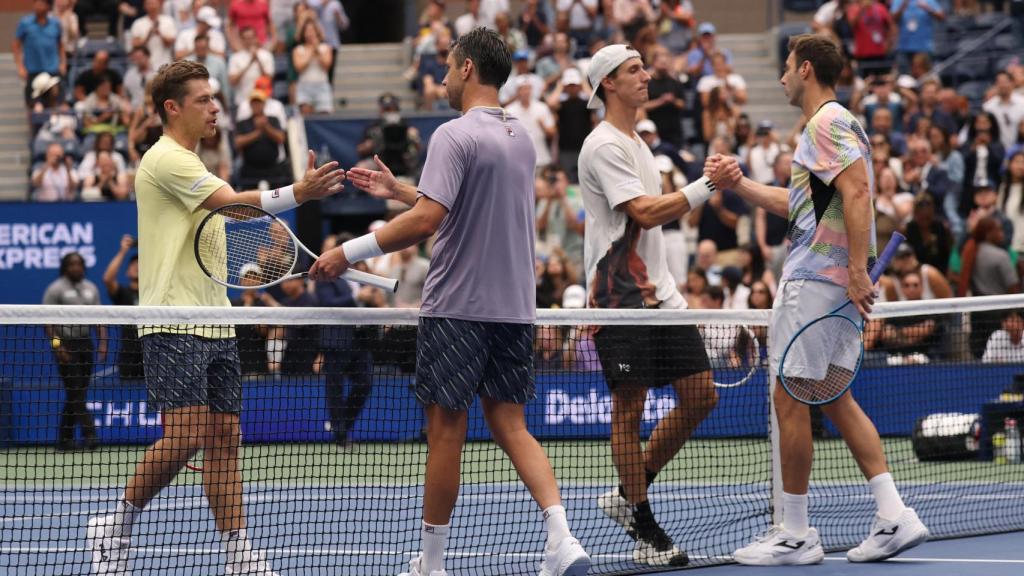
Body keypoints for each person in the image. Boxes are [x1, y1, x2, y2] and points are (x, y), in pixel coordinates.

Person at [309, 27, 591, 576]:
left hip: (458, 307)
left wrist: (348, 251)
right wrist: (398, 192)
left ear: (466, 69)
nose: (439, 78)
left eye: (446, 66)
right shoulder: (523, 136)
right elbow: (455, 205)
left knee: (446, 431)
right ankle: (563, 539)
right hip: (513, 309)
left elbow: (429, 220)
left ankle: (432, 565)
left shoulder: (453, 135)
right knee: (512, 424)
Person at [86, 59, 345, 576]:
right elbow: (234, 207)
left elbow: (225, 226)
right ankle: (114, 524)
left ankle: (238, 552)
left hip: (215, 317)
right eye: (203, 99)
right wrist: (299, 192)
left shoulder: (196, 165)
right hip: (174, 319)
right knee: (184, 437)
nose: (215, 107)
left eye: (214, 97)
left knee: (226, 438)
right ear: (172, 108)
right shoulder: (165, 159)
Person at [705, 33, 929, 565]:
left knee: (788, 398)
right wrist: (741, 185)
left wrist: (855, 270)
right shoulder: (834, 126)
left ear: (806, 69)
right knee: (833, 395)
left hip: (819, 282)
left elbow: (857, 193)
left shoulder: (824, 123)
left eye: (786, 67)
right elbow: (806, 205)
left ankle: (796, 534)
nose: (781, 77)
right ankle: (895, 514)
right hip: (834, 280)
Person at [576, 43, 719, 567]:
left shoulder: (637, 142)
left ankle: (627, 494)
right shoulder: (603, 146)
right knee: (629, 408)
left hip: (663, 295)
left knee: (701, 396)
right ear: (608, 83)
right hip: (620, 298)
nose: (646, 74)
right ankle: (644, 526)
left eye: (643, 67)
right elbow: (643, 212)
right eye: (633, 70)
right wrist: (707, 186)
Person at [43, 252, 106, 451]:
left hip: (85, 344)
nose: (76, 268)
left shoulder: (91, 288)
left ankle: (64, 439)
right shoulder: (55, 289)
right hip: (65, 346)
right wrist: (57, 345)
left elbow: (100, 318)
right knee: (76, 391)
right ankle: (91, 435)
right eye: (72, 264)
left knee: (77, 392)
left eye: (79, 264)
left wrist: (103, 343)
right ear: (65, 267)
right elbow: (47, 320)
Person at [316, 235, 374, 447]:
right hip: (336, 340)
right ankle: (340, 435)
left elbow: (371, 303)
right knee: (335, 389)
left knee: (365, 384)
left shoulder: (363, 274)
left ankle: (341, 426)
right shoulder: (326, 275)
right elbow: (328, 303)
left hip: (360, 340)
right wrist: (358, 297)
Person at [103, 235, 144, 381]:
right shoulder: (122, 294)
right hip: (128, 357)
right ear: (127, 272)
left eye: (141, 264)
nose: (137, 266)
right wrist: (123, 251)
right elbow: (108, 279)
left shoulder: (154, 295)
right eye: (133, 264)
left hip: (153, 356)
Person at [14, 0, 65, 109]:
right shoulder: (25, 23)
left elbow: (60, 45)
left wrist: (62, 63)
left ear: (48, 6)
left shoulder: (55, 23)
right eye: (35, 3)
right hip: (33, 70)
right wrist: (20, 67)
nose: (37, 6)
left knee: (55, 99)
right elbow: (16, 45)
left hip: (52, 69)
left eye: (41, 3)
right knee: (34, 105)